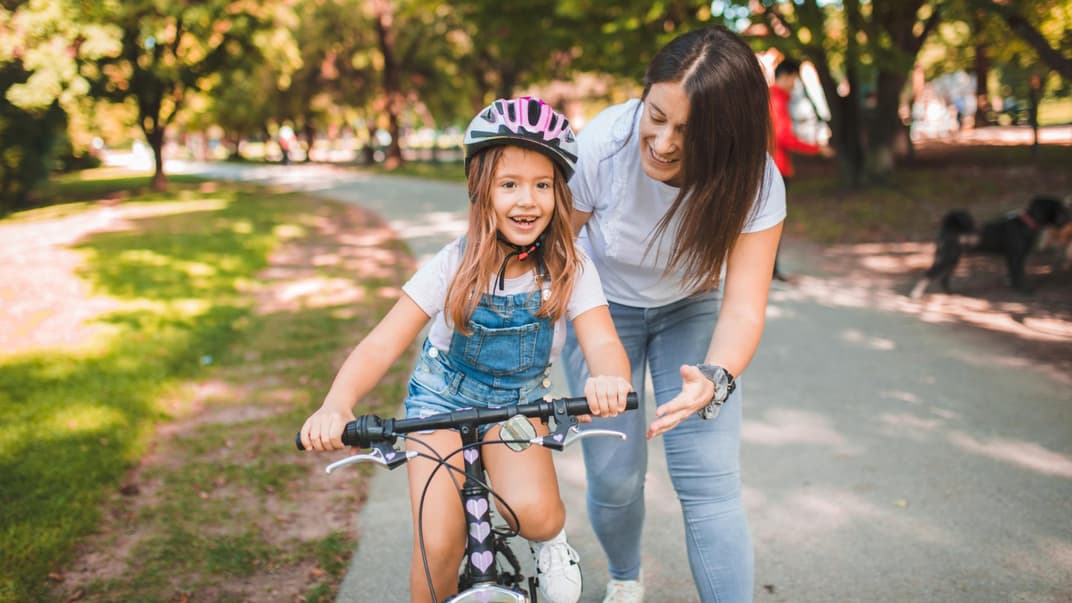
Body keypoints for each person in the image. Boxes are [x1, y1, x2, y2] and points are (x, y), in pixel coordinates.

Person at [299, 97, 633, 603]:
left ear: (560, 193)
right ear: (481, 191)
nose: (527, 200)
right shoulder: (452, 265)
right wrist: (337, 403)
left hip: (517, 406)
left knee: (535, 514)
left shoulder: (570, 268)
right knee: (439, 545)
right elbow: (383, 342)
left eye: (542, 185)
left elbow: (603, 339)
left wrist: (607, 378)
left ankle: (551, 543)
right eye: (509, 184)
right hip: (439, 402)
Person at [562, 27, 786, 603]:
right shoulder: (605, 144)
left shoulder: (756, 182)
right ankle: (625, 576)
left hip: (690, 308)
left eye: (686, 131)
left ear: (725, 137)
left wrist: (715, 377)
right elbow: (554, 252)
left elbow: (744, 307)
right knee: (615, 475)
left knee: (709, 480)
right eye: (655, 116)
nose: (661, 143)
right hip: (600, 306)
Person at [769, 57, 834, 282]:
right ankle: (771, 270)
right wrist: (816, 149)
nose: (794, 85)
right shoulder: (776, 100)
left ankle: (771, 270)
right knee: (773, 222)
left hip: (771, 167)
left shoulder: (769, 98)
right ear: (785, 76)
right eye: (794, 80)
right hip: (776, 169)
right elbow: (783, 137)